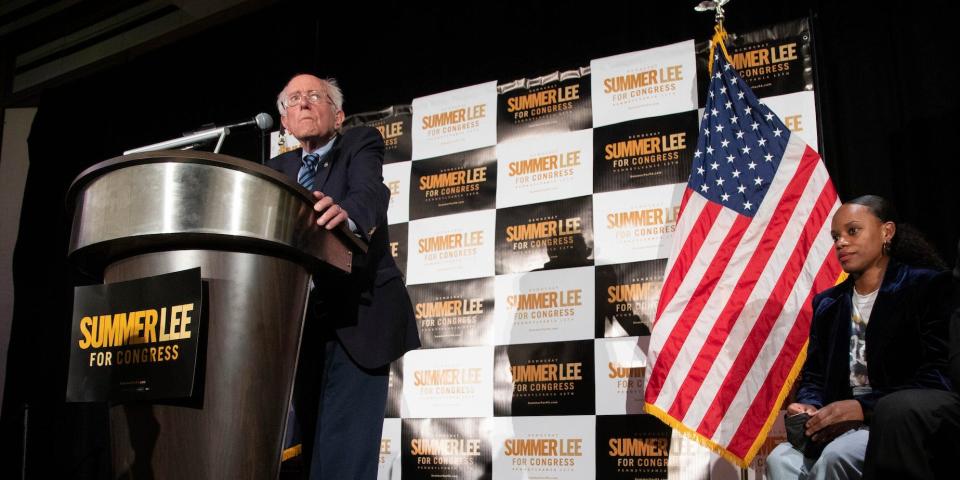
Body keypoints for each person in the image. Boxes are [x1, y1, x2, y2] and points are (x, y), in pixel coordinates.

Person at [267, 74, 420, 480]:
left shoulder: (360, 143)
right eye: (293, 99)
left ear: (338, 115)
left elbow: (372, 191)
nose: (303, 104)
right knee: (306, 454)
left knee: (345, 460)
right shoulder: (276, 169)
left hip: (359, 319)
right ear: (284, 123)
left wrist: (348, 218)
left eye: (314, 96)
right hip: (301, 331)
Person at [766, 195, 953, 480]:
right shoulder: (827, 304)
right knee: (780, 460)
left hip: (892, 424)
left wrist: (863, 408)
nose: (841, 242)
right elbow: (815, 376)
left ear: (886, 232)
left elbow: (938, 375)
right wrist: (809, 404)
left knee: (836, 457)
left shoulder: (926, 286)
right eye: (835, 236)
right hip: (835, 425)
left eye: (852, 231)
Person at [860, 239, 960, 479]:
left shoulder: (929, 291)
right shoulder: (831, 304)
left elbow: (934, 370)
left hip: (867, 416)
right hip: (870, 414)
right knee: (896, 409)